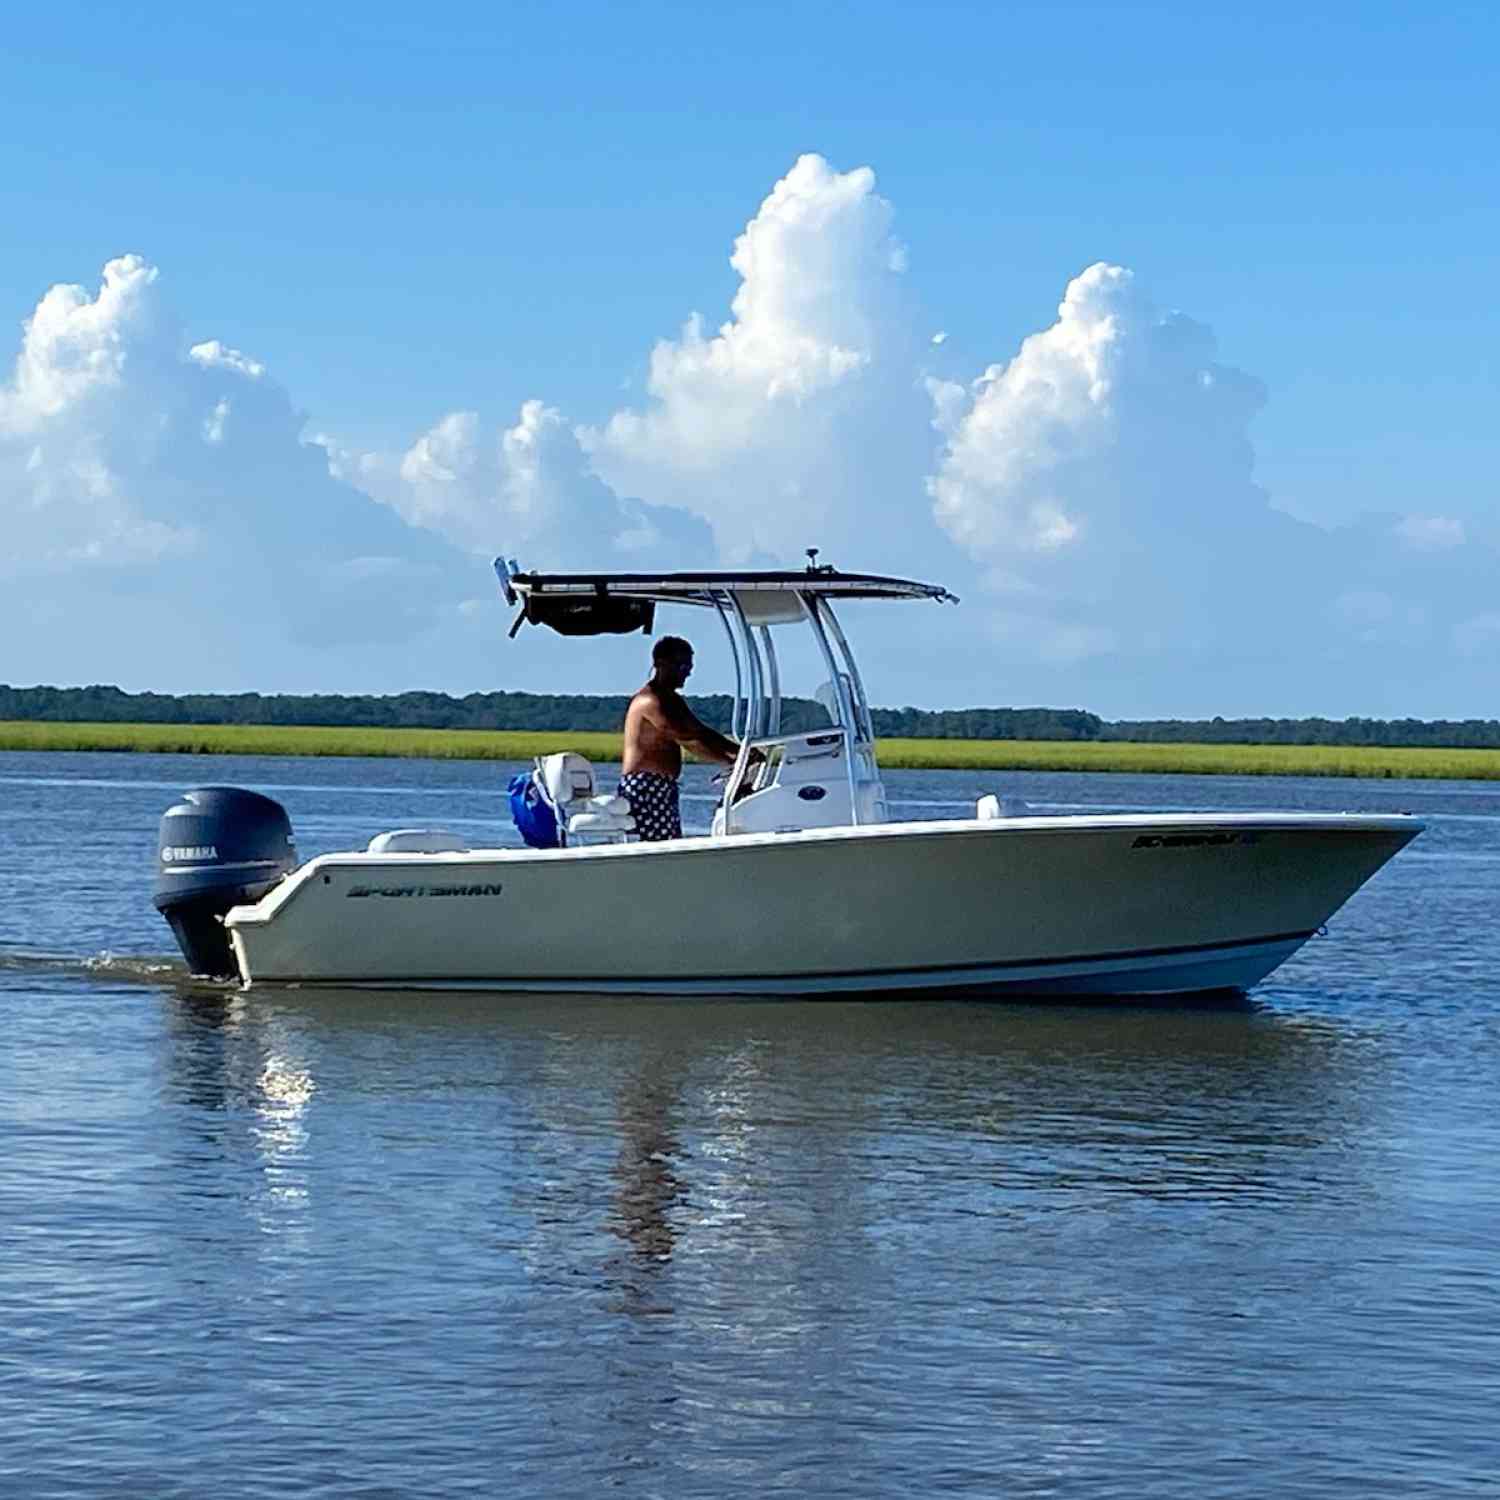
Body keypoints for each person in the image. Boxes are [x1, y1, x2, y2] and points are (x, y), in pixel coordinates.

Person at [619, 636, 747, 841]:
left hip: (664, 787)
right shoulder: (650, 700)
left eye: (689, 665)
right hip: (646, 788)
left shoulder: (672, 699)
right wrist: (732, 761)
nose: (688, 671)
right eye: (682, 665)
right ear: (660, 663)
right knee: (656, 848)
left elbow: (702, 731)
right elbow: (687, 738)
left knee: (670, 841)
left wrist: (742, 752)